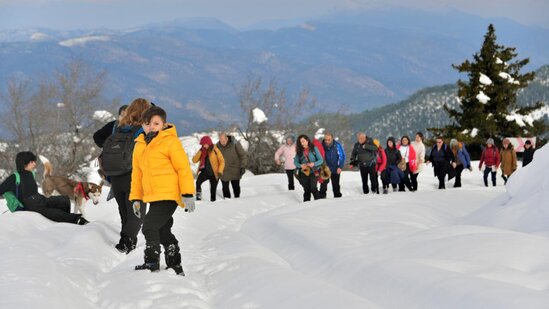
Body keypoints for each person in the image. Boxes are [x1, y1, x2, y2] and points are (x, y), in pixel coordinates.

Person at [130, 106, 195, 275]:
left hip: (169, 194)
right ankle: (175, 264)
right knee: (162, 230)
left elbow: (183, 168)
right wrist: (136, 198)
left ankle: (151, 262)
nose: (151, 127)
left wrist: (187, 193)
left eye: (156, 123)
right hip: (153, 195)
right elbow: (137, 174)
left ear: (164, 125)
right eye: (147, 123)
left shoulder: (170, 141)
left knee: (149, 227)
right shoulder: (140, 144)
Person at [103, 98, 150, 253]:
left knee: (125, 213)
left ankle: (128, 243)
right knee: (137, 215)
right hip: (133, 178)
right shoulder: (143, 131)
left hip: (116, 178)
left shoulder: (120, 127)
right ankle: (126, 243)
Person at [0, 151, 87, 225]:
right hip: (30, 205)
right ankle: (76, 220)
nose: (34, 163)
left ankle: (64, 222)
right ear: (24, 163)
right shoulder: (15, 177)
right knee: (52, 212)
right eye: (32, 161)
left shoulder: (31, 173)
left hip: (39, 198)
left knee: (63, 200)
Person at [192, 136, 224, 201]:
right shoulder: (202, 151)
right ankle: (198, 198)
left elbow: (222, 161)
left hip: (214, 173)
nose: (204, 146)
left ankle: (213, 203)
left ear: (209, 143)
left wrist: (220, 171)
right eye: (203, 144)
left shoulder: (215, 150)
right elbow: (194, 160)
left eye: (205, 144)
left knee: (213, 190)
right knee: (198, 182)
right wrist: (200, 151)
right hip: (205, 173)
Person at [216, 133, 247, 199]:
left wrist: (243, 167)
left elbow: (243, 155)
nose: (223, 143)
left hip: (235, 170)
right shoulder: (217, 146)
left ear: (227, 138)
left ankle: (237, 201)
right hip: (224, 171)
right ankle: (227, 204)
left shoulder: (235, 143)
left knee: (236, 188)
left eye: (224, 141)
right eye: (221, 141)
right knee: (225, 190)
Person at [294, 134, 324, 202]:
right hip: (304, 171)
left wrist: (313, 164)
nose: (302, 143)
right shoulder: (299, 151)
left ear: (307, 140)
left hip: (314, 171)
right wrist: (301, 165)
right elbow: (295, 162)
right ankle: (306, 207)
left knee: (313, 188)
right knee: (306, 190)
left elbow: (321, 160)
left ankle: (319, 204)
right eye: (300, 142)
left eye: (303, 141)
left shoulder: (314, 148)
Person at [319, 132, 346, 198]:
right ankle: (321, 201)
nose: (327, 141)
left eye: (329, 140)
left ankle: (338, 200)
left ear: (332, 139)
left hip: (335, 168)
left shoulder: (337, 145)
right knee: (323, 186)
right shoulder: (321, 146)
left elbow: (342, 156)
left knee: (336, 186)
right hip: (325, 168)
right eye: (325, 140)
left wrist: (340, 167)